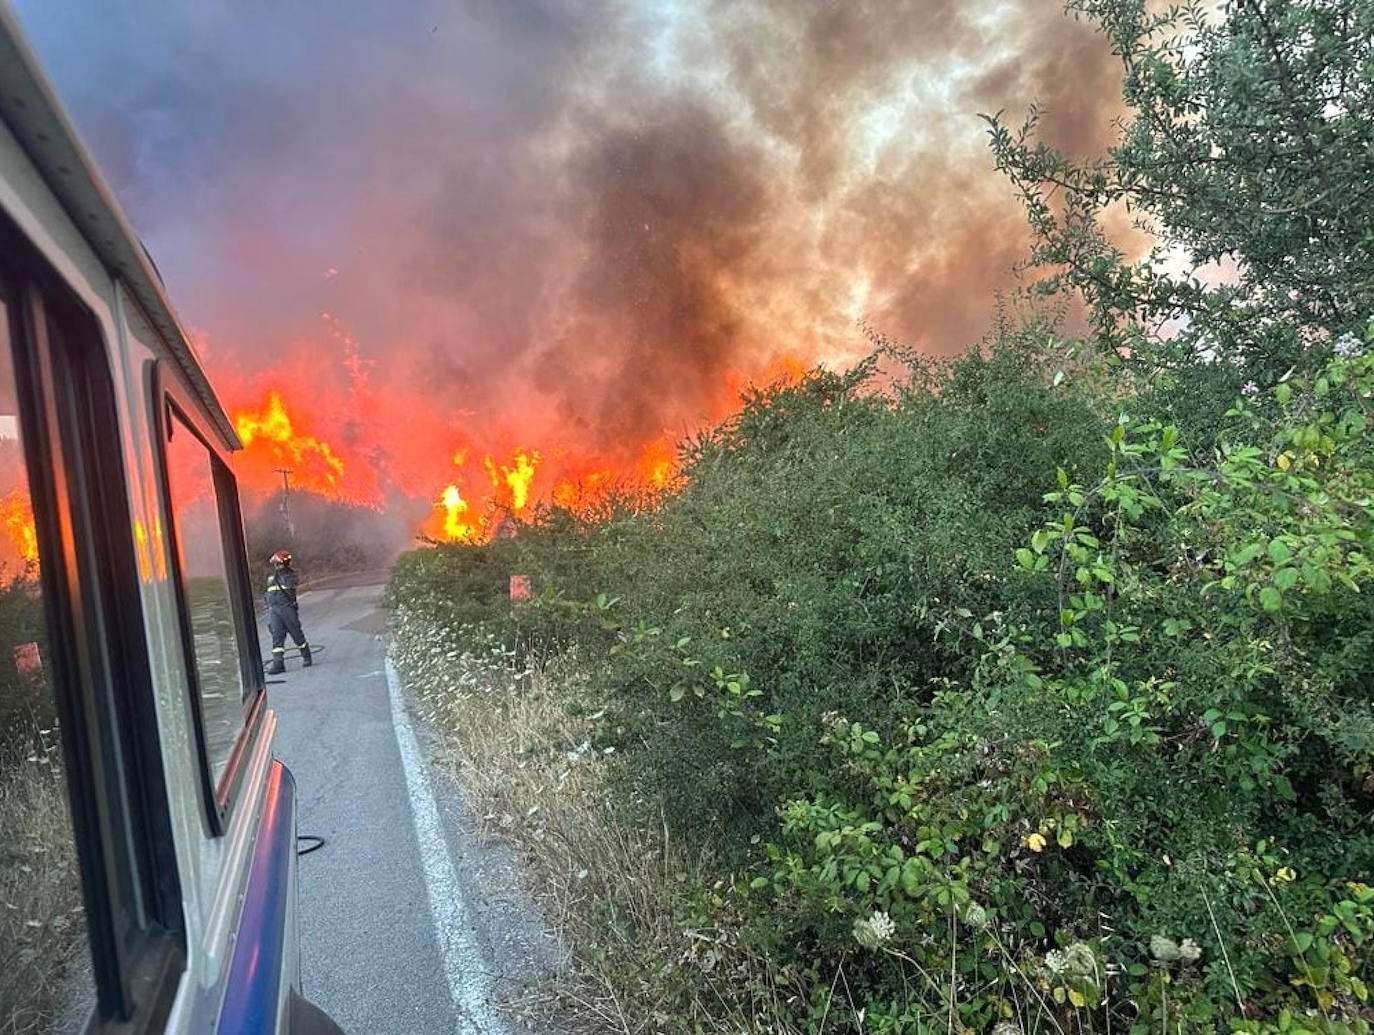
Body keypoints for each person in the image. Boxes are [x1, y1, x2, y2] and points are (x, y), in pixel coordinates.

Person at [265, 549, 311, 675]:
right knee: (277, 637)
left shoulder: (290, 576)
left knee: (296, 634)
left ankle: (306, 656)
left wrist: (285, 570)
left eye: (278, 563)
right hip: (274, 610)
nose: (277, 566)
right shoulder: (271, 578)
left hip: (287, 609)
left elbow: (292, 583)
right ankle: (278, 664)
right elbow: (267, 594)